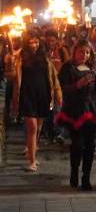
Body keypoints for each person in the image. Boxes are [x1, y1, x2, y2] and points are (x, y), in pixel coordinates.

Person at [56, 40, 96, 190]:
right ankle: (74, 172)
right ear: (75, 52)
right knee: (77, 144)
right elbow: (61, 88)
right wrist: (77, 86)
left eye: (87, 52)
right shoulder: (68, 67)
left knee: (90, 145)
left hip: (92, 109)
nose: (84, 55)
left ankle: (86, 177)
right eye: (81, 51)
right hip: (75, 110)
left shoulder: (92, 68)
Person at [12, 32, 62, 172]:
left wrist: (58, 95)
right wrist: (11, 63)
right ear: (26, 43)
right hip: (27, 95)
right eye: (31, 42)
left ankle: (32, 150)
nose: (34, 45)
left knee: (38, 128)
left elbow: (53, 77)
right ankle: (31, 161)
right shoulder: (20, 57)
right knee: (32, 128)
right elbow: (13, 76)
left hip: (43, 94)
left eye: (36, 42)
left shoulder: (44, 57)